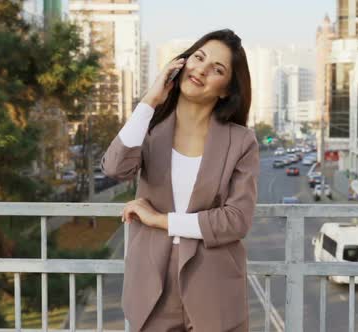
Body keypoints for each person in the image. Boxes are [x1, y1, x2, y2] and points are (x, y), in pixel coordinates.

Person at [100, 29, 259, 331]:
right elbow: (114, 169)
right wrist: (149, 100)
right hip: (151, 291)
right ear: (182, 62)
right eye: (198, 57)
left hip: (215, 290)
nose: (201, 69)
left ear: (225, 90)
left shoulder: (241, 142)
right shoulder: (150, 126)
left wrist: (161, 220)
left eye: (217, 69)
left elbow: (237, 220)